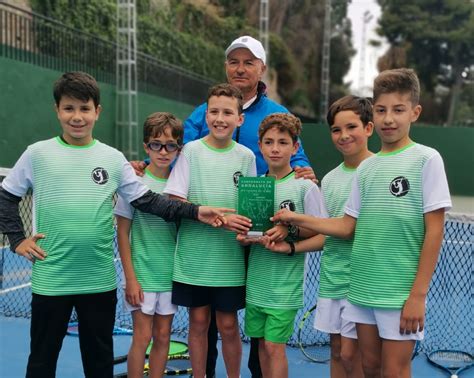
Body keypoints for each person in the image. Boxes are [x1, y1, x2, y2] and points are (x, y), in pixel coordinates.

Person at [0, 72, 232, 378]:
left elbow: (149, 201)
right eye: (69, 108)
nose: (77, 117)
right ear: (57, 110)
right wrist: (17, 239)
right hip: (51, 281)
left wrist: (196, 210)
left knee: (98, 363)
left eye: (85, 109)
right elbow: (6, 196)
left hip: (99, 282)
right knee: (42, 361)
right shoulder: (37, 154)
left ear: (98, 111)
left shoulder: (112, 159)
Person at [272, 68, 452, 377]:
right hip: (360, 290)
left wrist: (417, 295)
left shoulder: (427, 158)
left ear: (415, 112)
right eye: (382, 110)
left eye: (398, 110)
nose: (389, 119)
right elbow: (345, 226)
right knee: (369, 367)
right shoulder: (367, 170)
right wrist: (294, 217)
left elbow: (435, 231)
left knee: (393, 371)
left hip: (398, 293)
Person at [268, 96, 373, 378]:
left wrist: (293, 218)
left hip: (365, 283)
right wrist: (291, 248)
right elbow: (326, 234)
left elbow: (347, 228)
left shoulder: (378, 171)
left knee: (359, 357)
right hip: (332, 281)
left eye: (351, 127)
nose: (343, 135)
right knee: (337, 352)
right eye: (336, 130)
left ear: (368, 129)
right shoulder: (330, 179)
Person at [163, 83, 257, 378]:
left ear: (239, 119)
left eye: (227, 112)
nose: (220, 118)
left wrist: (245, 228)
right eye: (213, 111)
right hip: (194, 260)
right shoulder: (190, 151)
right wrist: (211, 215)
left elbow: (253, 210)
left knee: (229, 326)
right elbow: (175, 199)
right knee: (199, 322)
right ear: (205, 116)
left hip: (229, 261)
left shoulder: (246, 157)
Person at [237, 113, 325, 378]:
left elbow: (322, 234)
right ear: (260, 146)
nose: (275, 148)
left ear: (295, 147)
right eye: (269, 142)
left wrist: (289, 236)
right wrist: (244, 237)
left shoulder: (305, 187)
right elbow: (251, 230)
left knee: (275, 347)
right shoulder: (254, 186)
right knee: (262, 346)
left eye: (283, 142)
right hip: (256, 285)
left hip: (284, 288)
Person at [114, 112, 184, 378]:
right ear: (146, 146)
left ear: (179, 149)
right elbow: (122, 233)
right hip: (142, 277)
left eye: (170, 145)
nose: (163, 151)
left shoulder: (182, 185)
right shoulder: (133, 182)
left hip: (170, 277)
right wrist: (130, 279)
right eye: (156, 144)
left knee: (163, 336)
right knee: (142, 338)